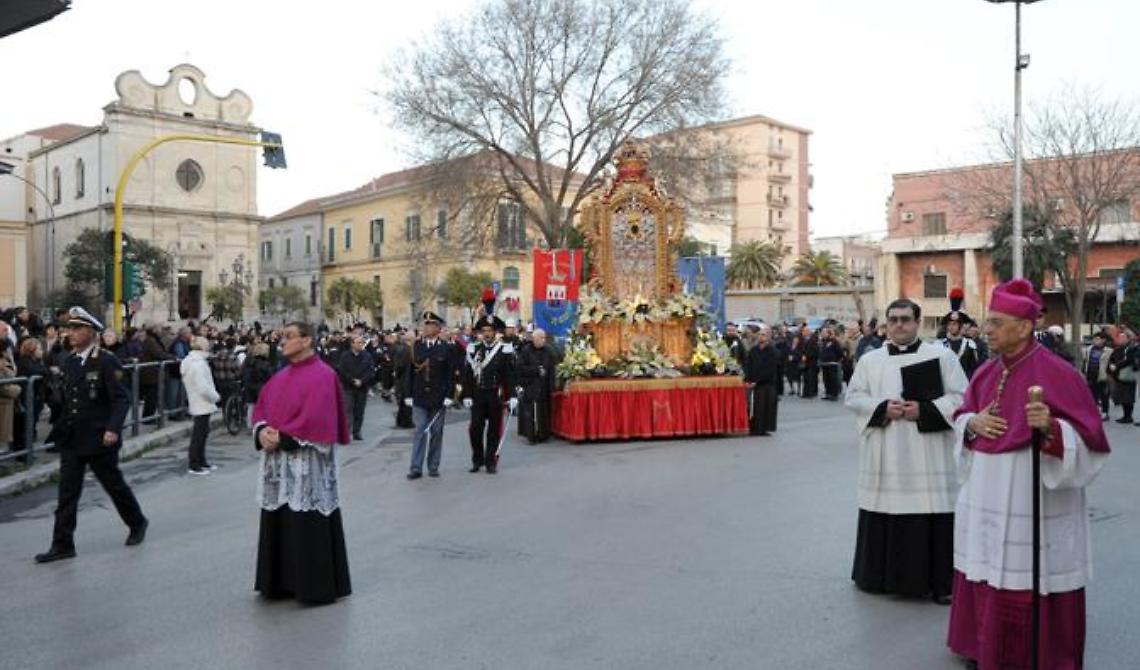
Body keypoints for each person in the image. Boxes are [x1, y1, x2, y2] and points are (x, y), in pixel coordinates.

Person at [947, 279, 1111, 669]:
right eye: (988, 322)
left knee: (1030, 577)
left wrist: (1052, 430)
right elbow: (961, 417)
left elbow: (1092, 443)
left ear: (1023, 326)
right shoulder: (985, 373)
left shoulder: (1060, 374)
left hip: (1032, 500)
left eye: (996, 322)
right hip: (985, 498)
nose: (987, 330)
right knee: (985, 570)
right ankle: (984, 647)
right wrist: (973, 423)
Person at [844, 298, 967, 605]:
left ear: (917, 322)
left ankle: (938, 582)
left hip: (928, 451)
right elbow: (854, 397)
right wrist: (882, 407)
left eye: (905, 319)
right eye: (893, 319)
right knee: (885, 509)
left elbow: (962, 399)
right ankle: (878, 578)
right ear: (886, 323)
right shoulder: (870, 361)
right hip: (885, 451)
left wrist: (924, 410)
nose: (899, 325)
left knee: (931, 511)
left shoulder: (942, 357)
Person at [34, 307, 149, 564]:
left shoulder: (107, 361)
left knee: (114, 485)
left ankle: (137, 522)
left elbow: (121, 399)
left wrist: (112, 429)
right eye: (70, 329)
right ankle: (62, 544)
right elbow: (68, 399)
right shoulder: (69, 361)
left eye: (77, 329)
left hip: (99, 437)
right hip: (73, 438)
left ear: (91, 332)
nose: (71, 333)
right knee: (67, 493)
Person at [251, 321, 351, 604]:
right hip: (279, 465)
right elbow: (262, 407)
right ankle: (279, 583)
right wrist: (261, 432)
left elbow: (320, 419)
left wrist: (283, 437)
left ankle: (313, 586)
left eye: (289, 336)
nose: (282, 341)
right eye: (282, 336)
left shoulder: (324, 375)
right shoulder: (279, 376)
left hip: (307, 464)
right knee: (280, 518)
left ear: (307, 341)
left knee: (306, 521)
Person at [404, 312, 459, 479]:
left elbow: (450, 374)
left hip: (438, 397)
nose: (426, 327)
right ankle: (416, 467)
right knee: (420, 430)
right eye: (425, 324)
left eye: (430, 325)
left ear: (437, 328)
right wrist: (408, 394)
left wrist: (450, 395)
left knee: (436, 432)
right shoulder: (416, 346)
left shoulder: (446, 348)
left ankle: (433, 466)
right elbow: (410, 372)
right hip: (419, 396)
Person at [461, 314, 517, 474]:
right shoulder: (473, 349)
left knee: (493, 430)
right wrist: (466, 395)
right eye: (484, 330)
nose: (486, 333)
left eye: (489, 330)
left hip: (495, 394)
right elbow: (467, 375)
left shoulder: (504, 349)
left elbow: (509, 375)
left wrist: (512, 395)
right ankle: (477, 459)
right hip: (478, 394)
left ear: (495, 332)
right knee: (475, 429)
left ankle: (490, 461)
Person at [181, 336, 220, 474]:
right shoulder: (198, 364)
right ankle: (195, 464)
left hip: (199, 401)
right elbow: (203, 387)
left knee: (202, 433)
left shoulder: (194, 362)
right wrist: (215, 397)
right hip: (201, 401)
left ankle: (201, 461)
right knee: (199, 434)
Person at [515, 328, 558, 443]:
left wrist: (552, 386)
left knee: (543, 411)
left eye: (544, 338)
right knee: (530, 411)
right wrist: (536, 370)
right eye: (541, 338)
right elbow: (519, 368)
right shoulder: (525, 351)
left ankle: (543, 434)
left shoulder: (549, 350)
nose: (544, 340)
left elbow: (552, 369)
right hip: (530, 385)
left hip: (544, 386)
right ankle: (531, 435)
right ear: (535, 339)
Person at [12, 337, 49, 453]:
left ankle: (27, 451)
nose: (41, 351)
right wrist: (45, 370)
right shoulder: (24, 361)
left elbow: (43, 370)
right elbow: (39, 371)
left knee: (31, 424)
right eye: (39, 349)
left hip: (35, 397)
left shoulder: (36, 361)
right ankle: (23, 453)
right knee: (25, 426)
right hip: (26, 398)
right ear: (31, 350)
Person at [743, 324, 779, 436]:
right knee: (755, 407)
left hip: (766, 383)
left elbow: (770, 369)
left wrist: (757, 381)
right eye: (759, 335)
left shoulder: (773, 351)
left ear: (768, 337)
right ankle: (753, 427)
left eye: (763, 335)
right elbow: (748, 365)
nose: (760, 337)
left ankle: (764, 429)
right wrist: (748, 380)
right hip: (753, 383)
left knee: (765, 407)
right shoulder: (754, 350)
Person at [338, 334, 375, 441]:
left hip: (362, 387)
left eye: (362, 343)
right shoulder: (345, 356)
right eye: (358, 343)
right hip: (348, 387)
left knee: (359, 410)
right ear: (352, 344)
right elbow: (342, 371)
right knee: (348, 409)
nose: (361, 345)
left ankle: (357, 431)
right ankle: (346, 432)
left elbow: (370, 370)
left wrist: (362, 381)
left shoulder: (367, 356)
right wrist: (352, 380)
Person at [938, 310, 981, 379]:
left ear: (960, 325)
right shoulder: (940, 345)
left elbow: (974, 369)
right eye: (949, 324)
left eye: (954, 324)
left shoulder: (970, 345)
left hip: (964, 385)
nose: (951, 327)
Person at [1106, 328, 1137, 424]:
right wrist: (1111, 365)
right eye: (1119, 338)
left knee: (1128, 397)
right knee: (1122, 397)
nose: (1120, 339)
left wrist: (1117, 365)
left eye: (1123, 338)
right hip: (1119, 375)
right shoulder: (1118, 349)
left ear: (1128, 338)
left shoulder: (1133, 348)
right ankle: (1125, 415)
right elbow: (1112, 358)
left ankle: (1129, 416)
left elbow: (1129, 360)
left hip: (1128, 375)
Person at [1081, 330, 1112, 420]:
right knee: (1092, 395)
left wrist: (1110, 374)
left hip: (1103, 376)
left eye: (1098, 339)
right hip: (1090, 375)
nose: (1095, 341)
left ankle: (1105, 413)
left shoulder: (1109, 351)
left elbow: (1111, 363)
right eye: (1094, 339)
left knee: (1104, 395)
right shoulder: (1087, 350)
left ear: (1103, 340)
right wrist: (1083, 373)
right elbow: (1084, 363)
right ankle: (1094, 411)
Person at [391, 330, 416, 428]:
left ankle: (400, 420)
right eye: (414, 337)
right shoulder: (407, 350)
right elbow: (400, 365)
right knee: (406, 401)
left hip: (402, 378)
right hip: (404, 379)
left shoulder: (404, 348)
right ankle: (406, 421)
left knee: (402, 402)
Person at [818, 326, 844, 400]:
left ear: (828, 333)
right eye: (822, 333)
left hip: (832, 363)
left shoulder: (834, 341)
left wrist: (836, 359)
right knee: (826, 380)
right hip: (824, 363)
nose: (822, 334)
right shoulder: (823, 342)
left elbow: (839, 352)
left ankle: (834, 395)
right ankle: (828, 393)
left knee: (833, 380)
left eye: (824, 333)